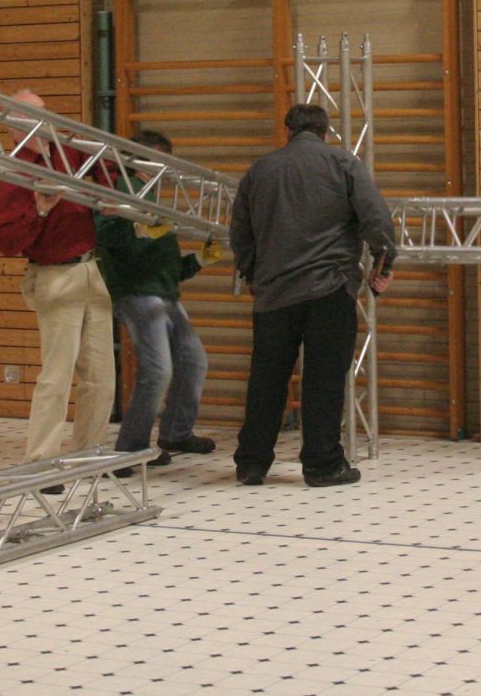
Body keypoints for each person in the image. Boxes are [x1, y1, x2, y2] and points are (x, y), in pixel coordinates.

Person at [229, 103, 395, 488]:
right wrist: (383, 264)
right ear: (325, 131)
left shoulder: (260, 170)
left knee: (266, 379)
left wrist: (253, 273)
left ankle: (252, 463)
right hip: (329, 287)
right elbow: (376, 217)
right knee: (324, 379)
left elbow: (240, 231)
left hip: (273, 292)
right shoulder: (344, 164)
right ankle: (322, 465)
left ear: (287, 130)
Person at [0, 90, 115, 466]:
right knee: (57, 375)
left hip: (89, 268)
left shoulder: (66, 151)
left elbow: (105, 163)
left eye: (44, 112)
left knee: (101, 375)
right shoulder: (17, 171)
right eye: (33, 115)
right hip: (54, 274)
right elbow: (6, 241)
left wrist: (108, 190)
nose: (44, 121)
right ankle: (41, 461)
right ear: (14, 126)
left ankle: (89, 452)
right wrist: (41, 212)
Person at [96, 129, 217, 468]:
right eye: (160, 158)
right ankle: (130, 448)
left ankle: (176, 432)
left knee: (193, 361)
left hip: (163, 293)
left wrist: (198, 261)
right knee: (158, 369)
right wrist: (136, 229)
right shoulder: (123, 188)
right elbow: (104, 233)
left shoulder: (151, 195)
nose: (165, 166)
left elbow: (166, 266)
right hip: (137, 292)